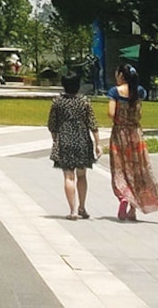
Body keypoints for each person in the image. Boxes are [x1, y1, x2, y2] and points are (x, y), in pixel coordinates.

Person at [106, 64, 158, 221]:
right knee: (137, 169)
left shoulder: (114, 92)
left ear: (121, 76)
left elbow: (111, 113)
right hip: (136, 135)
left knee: (119, 168)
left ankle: (124, 196)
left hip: (119, 134)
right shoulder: (139, 91)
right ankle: (133, 208)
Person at [48, 76, 99, 219]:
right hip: (82, 140)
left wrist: (55, 140)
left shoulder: (58, 102)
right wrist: (98, 144)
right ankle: (82, 207)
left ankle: (73, 211)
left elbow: (52, 124)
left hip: (65, 140)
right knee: (82, 176)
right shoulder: (84, 102)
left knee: (68, 177)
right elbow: (93, 124)